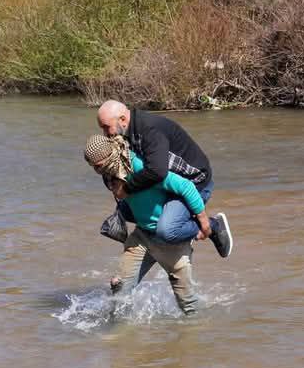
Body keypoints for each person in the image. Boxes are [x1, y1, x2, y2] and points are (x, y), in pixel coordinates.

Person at [85, 134, 207, 315]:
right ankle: (118, 336)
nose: (97, 171)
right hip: (141, 237)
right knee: (119, 291)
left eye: (98, 166)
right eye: (92, 167)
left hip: (170, 241)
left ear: (109, 157)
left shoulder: (142, 166)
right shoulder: (111, 174)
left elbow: (186, 187)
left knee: (189, 307)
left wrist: (204, 223)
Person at [97, 99, 233, 257]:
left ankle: (214, 225)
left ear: (122, 119)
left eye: (106, 127)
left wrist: (126, 188)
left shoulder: (149, 129)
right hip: (168, 184)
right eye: (102, 128)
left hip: (194, 182)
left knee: (167, 230)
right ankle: (176, 227)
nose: (105, 134)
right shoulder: (124, 132)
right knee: (126, 211)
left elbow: (157, 171)